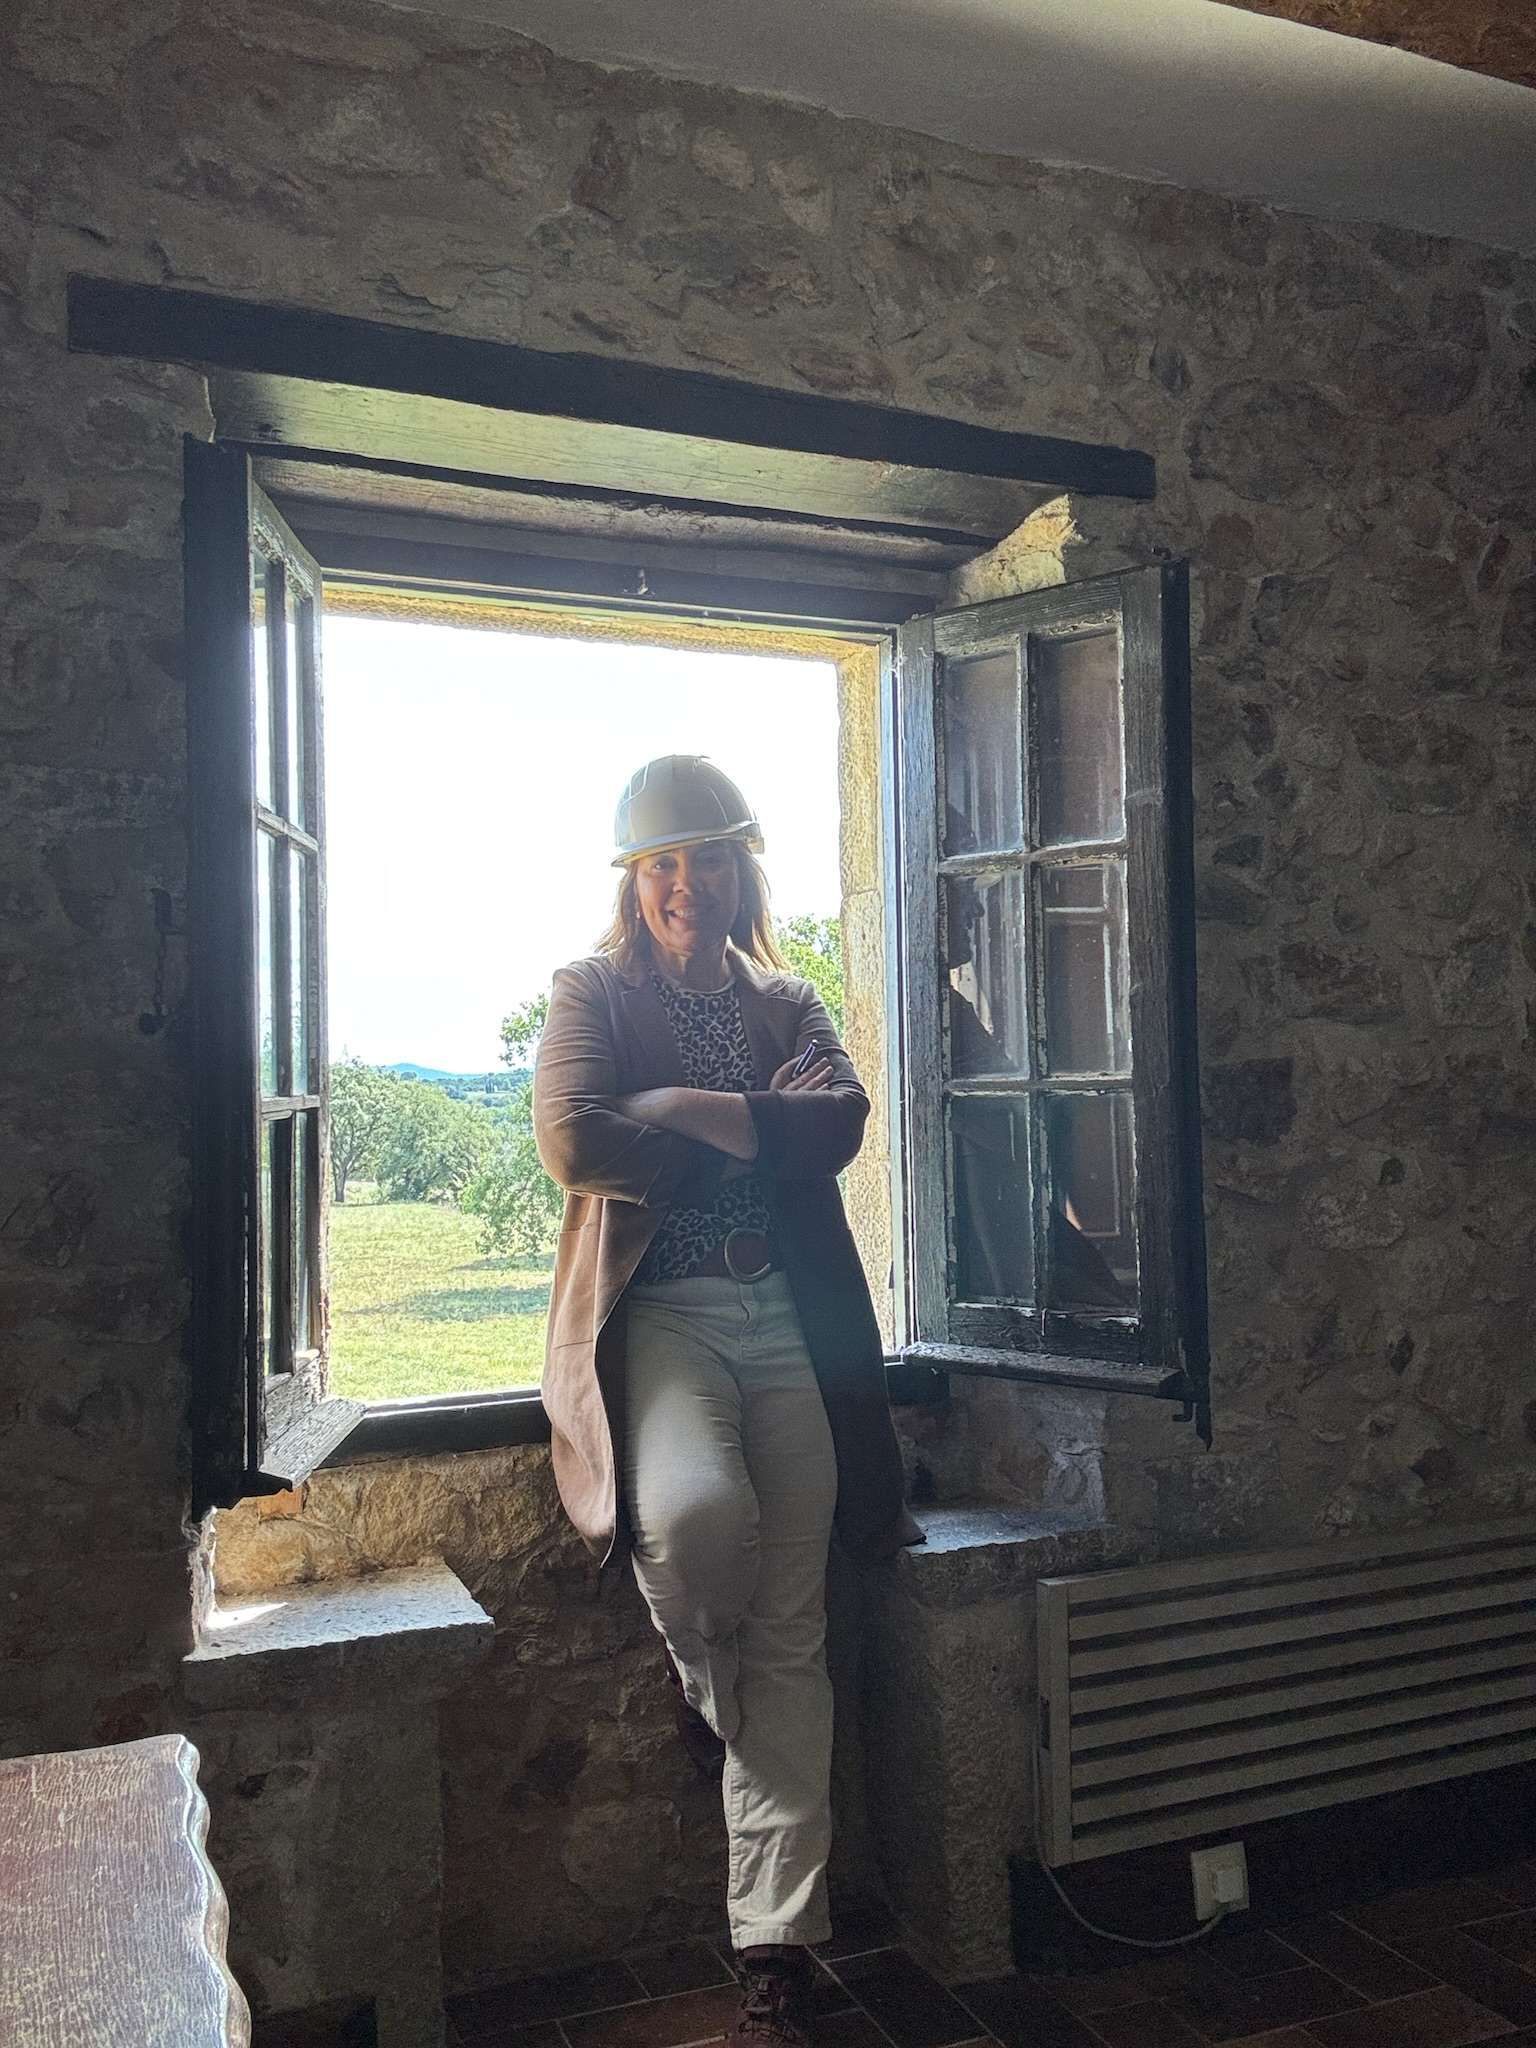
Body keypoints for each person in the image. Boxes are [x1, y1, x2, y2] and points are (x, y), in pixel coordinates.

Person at [533, 755, 922, 2048]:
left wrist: (683, 1107)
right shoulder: (591, 991)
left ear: (741, 867)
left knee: (797, 1624)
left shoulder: (786, 994)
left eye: (705, 859)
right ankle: (717, 1701)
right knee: (697, 1528)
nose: (684, 885)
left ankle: (776, 1947)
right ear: (634, 885)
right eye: (660, 865)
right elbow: (574, 1141)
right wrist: (755, 1126)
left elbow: (843, 1123)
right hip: (668, 1328)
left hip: (784, 1323)